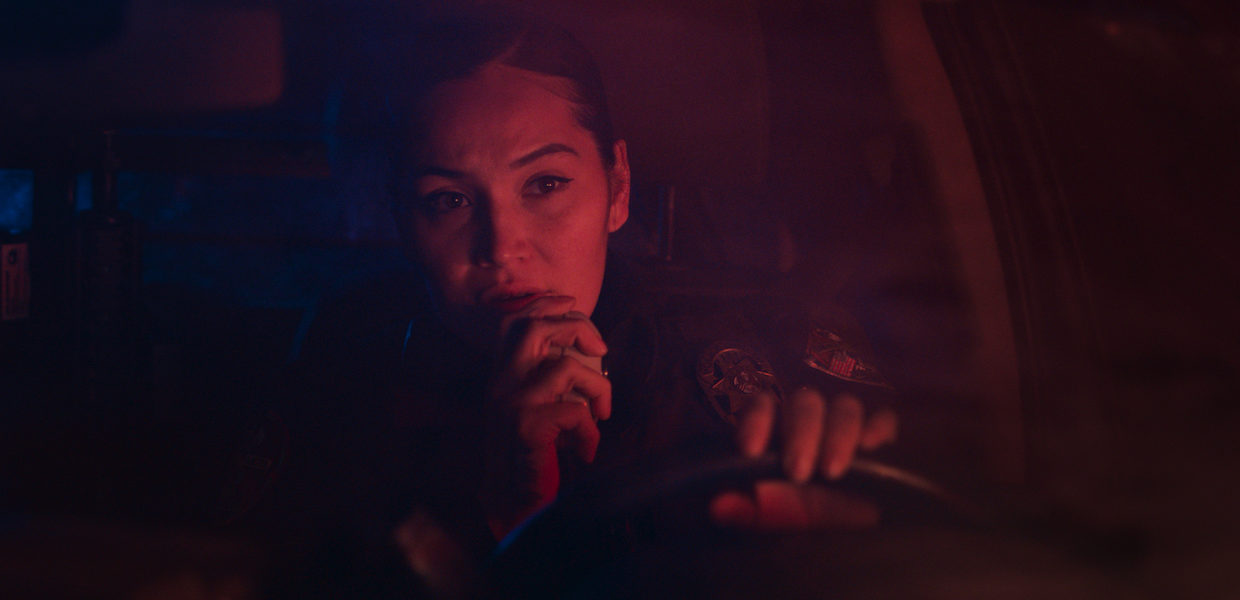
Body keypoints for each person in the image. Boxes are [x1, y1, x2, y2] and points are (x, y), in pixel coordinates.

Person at [265, 11, 899, 598]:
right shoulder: (343, 391)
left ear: (617, 187)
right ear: (405, 221)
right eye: (449, 201)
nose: (502, 247)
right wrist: (505, 518)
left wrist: (831, 556)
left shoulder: (776, 346)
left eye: (545, 184)